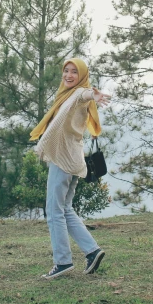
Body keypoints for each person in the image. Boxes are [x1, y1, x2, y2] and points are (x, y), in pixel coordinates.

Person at [30, 58, 111, 280]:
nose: (68, 75)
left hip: (64, 161)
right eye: (66, 70)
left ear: (82, 76)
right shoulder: (67, 96)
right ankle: (92, 251)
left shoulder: (78, 94)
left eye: (74, 72)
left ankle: (63, 262)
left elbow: (84, 94)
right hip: (73, 159)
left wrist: (92, 94)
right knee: (65, 209)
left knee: (54, 211)